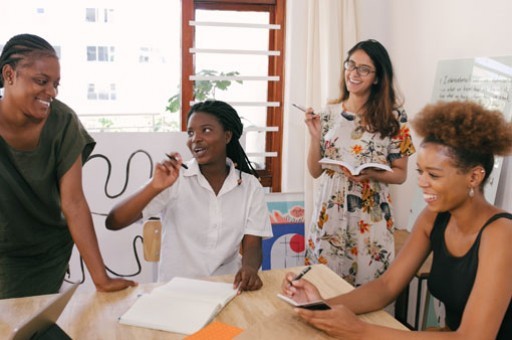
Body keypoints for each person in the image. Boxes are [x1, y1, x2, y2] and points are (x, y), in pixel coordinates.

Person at [282, 100, 512, 339]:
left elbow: (474, 337)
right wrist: (320, 306)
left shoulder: (501, 234)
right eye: (420, 172)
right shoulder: (433, 218)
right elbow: (386, 286)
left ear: (474, 176)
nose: (422, 182)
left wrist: (360, 331)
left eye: (433, 175)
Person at [0, 33, 136, 299]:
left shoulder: (63, 122)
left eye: (55, 84)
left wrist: (102, 280)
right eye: (41, 81)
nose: (51, 92)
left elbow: (73, 203)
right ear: (9, 74)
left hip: (47, 252)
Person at [106, 100, 273, 291]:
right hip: (176, 290)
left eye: (206, 130)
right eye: (191, 133)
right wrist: (154, 186)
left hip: (227, 288)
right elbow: (114, 221)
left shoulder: (250, 186)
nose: (195, 138)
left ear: (227, 136)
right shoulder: (175, 179)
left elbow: (253, 244)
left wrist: (249, 269)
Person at [303, 39, 415, 286]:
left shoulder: (395, 117)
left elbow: (400, 175)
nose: (353, 73)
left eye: (364, 69)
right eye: (351, 65)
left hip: (370, 218)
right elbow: (314, 171)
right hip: (329, 215)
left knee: (368, 291)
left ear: (377, 78)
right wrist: (314, 136)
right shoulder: (329, 112)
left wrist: (372, 174)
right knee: (322, 290)